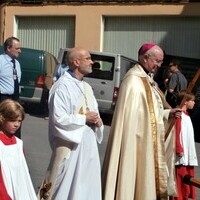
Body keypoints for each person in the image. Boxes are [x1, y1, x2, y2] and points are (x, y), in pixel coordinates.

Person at [102, 43, 182, 200]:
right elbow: (133, 117)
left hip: (144, 139)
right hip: (134, 140)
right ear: (145, 58)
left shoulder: (147, 79)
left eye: (161, 61)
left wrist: (167, 113)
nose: (159, 65)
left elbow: (150, 112)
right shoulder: (133, 81)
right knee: (131, 172)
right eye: (157, 61)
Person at [38, 47, 104, 200]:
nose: (92, 62)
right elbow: (58, 118)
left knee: (86, 186)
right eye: (87, 58)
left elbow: (93, 111)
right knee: (65, 188)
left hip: (88, 147)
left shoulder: (86, 86)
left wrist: (98, 121)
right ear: (76, 62)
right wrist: (84, 119)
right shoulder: (62, 86)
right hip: (71, 149)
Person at [0, 99, 37, 200]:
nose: (16, 124)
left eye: (19, 121)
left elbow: (23, 171)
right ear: (2, 118)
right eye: (12, 120)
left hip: (19, 191)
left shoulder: (18, 143)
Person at [171, 91, 198, 200]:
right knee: (181, 178)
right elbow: (176, 133)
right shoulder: (179, 115)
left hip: (188, 153)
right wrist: (179, 148)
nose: (194, 103)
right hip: (182, 154)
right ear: (185, 102)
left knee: (188, 178)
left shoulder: (186, 115)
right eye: (192, 100)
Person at [0, 36, 22, 138]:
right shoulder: (1, 60)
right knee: (4, 127)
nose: (20, 51)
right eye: (17, 48)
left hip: (15, 99)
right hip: (3, 98)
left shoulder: (17, 63)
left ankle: (15, 148)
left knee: (15, 126)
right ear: (8, 48)